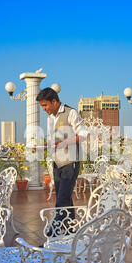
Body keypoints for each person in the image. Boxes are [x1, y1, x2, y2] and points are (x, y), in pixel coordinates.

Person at [37, 87, 88, 235]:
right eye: (42, 106)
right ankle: (72, 230)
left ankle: (51, 235)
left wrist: (66, 142)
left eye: (45, 105)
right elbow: (54, 140)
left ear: (54, 101)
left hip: (70, 163)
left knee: (61, 200)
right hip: (57, 162)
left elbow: (83, 135)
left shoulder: (71, 113)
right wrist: (44, 145)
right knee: (64, 198)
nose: (44, 109)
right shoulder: (50, 119)